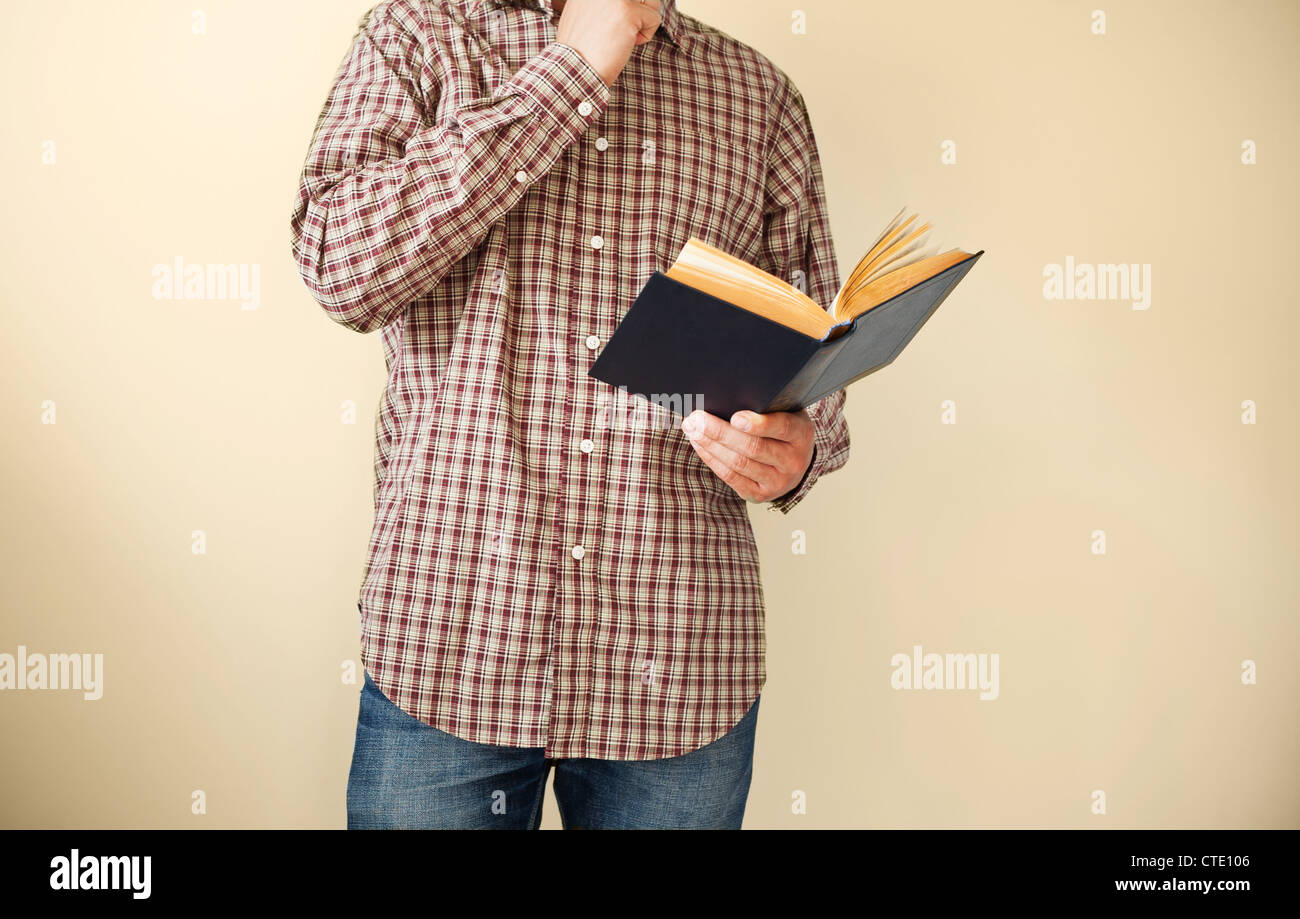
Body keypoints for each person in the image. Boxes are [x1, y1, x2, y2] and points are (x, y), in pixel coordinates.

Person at [290, 0, 849, 829]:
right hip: (454, 637)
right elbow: (340, 265)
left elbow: (815, 351)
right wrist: (568, 76)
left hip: (678, 663)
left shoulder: (758, 96)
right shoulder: (416, 33)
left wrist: (801, 446)